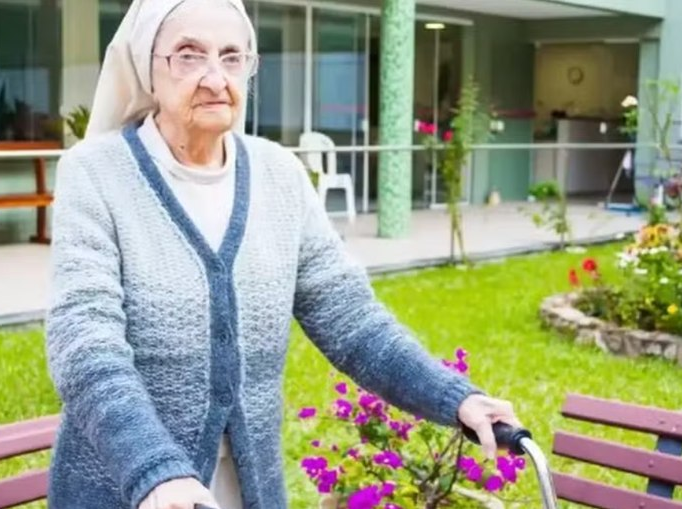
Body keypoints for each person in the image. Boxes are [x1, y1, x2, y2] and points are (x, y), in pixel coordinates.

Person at [44, 0, 521, 508]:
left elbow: (352, 322)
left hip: (249, 490)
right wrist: (155, 470)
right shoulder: (95, 173)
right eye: (188, 55)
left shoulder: (279, 174)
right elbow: (85, 344)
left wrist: (455, 398)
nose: (213, 77)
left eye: (232, 57)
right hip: (127, 489)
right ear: (147, 67)